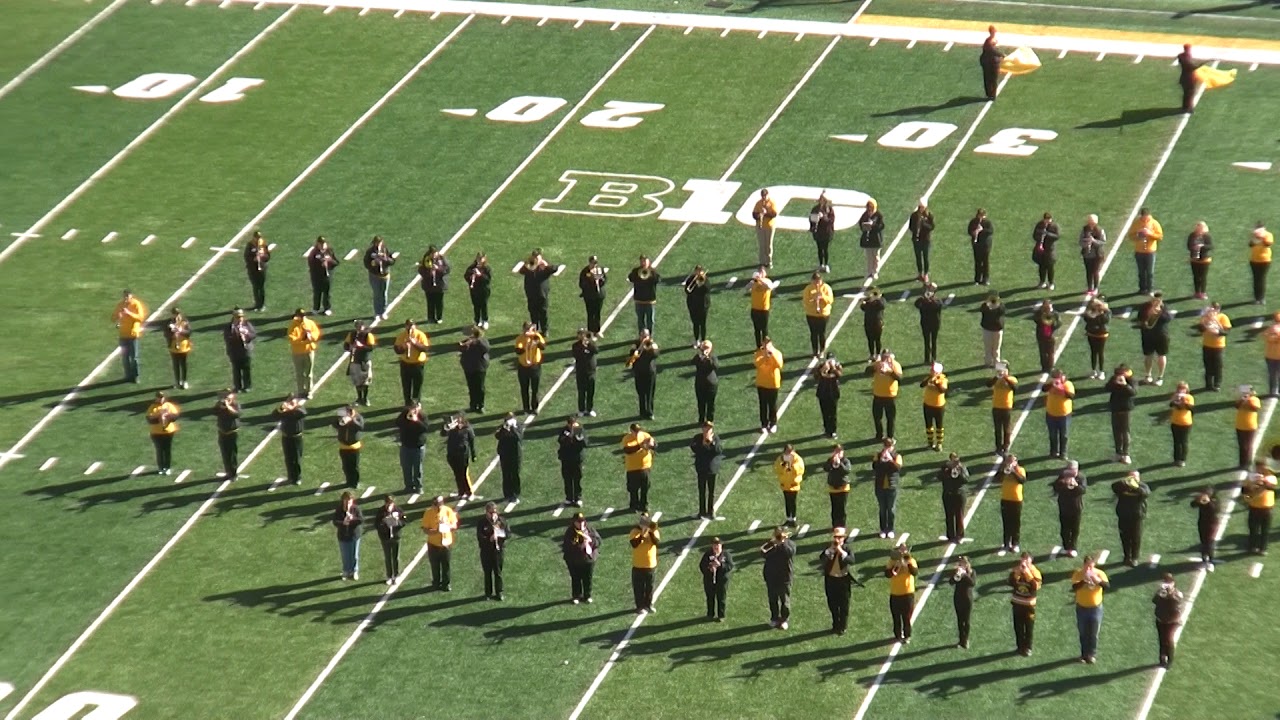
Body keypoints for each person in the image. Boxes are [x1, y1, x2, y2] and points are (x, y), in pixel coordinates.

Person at [1071, 555, 1110, 663]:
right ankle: (1083, 654)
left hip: (1095, 608)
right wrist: (1084, 581)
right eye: (1087, 567)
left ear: (1094, 565)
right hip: (1081, 608)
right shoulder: (1078, 574)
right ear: (1083, 565)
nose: (1089, 569)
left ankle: (1091, 654)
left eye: (1091, 567)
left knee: (1093, 633)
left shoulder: (1100, 573)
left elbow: (1107, 586)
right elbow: (1074, 587)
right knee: (1083, 632)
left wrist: (1098, 580)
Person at [1113, 471, 1152, 566]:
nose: (1133, 478)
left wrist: (1136, 487)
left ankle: (1135, 558)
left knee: (1135, 537)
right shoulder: (1122, 486)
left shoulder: (1142, 486)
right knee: (1124, 537)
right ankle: (1126, 556)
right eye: (1131, 476)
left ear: (1139, 478)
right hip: (1123, 515)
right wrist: (1125, 483)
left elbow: (1145, 493)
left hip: (1136, 516)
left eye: (1135, 477)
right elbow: (1114, 487)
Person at [562, 512, 602, 604]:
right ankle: (576, 595)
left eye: (582, 521)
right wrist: (581, 545)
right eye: (578, 522)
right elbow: (567, 546)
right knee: (576, 578)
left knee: (587, 578)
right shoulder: (570, 532)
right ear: (574, 522)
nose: (581, 524)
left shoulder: (590, 529)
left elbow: (598, 541)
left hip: (588, 559)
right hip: (574, 560)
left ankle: (587, 595)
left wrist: (590, 542)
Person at [821, 527, 854, 635]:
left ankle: (843, 626)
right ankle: (835, 625)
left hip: (843, 580)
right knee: (832, 604)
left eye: (840, 537)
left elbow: (851, 560)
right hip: (831, 580)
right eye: (836, 537)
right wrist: (829, 551)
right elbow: (821, 558)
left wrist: (841, 552)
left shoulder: (847, 549)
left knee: (844, 605)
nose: (837, 539)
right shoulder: (829, 547)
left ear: (844, 538)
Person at [1008, 552, 1042, 656]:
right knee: (1018, 627)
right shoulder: (1016, 570)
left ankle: (1028, 647)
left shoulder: (1035, 572)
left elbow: (1035, 587)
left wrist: (1027, 573)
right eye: (1023, 561)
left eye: (1027, 561)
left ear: (1031, 562)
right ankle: (1019, 646)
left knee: (1028, 627)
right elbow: (1010, 582)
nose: (1024, 564)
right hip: (1017, 603)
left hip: (1029, 605)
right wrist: (1017, 574)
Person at [761, 526, 796, 629]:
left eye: (779, 535)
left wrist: (782, 543)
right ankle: (774, 618)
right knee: (772, 599)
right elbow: (763, 553)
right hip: (771, 576)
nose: (778, 538)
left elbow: (789, 553)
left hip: (784, 577)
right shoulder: (771, 544)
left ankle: (784, 619)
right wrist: (772, 544)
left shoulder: (790, 545)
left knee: (784, 600)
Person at [421, 495, 458, 591]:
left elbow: (454, 525)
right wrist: (436, 531)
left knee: (446, 565)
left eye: (438, 505)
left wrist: (447, 526)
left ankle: (446, 583)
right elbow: (425, 529)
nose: (436, 507)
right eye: (435, 505)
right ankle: (436, 582)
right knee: (434, 565)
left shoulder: (448, 511)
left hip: (446, 543)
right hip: (433, 543)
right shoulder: (428, 513)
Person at [1052, 461, 1087, 558]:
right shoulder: (1062, 476)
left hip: (1076, 507)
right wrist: (1063, 482)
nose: (1071, 472)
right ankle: (1066, 546)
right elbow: (1055, 488)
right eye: (1070, 469)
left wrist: (1075, 485)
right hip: (1064, 506)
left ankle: (1073, 547)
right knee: (1064, 528)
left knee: (1075, 528)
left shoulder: (1081, 477)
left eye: (1073, 469)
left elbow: (1083, 490)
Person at [112, 289, 147, 383]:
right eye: (124, 296)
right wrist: (117, 316)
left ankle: (136, 376)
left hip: (133, 334)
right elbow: (113, 318)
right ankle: (127, 375)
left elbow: (141, 318)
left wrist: (129, 313)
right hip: (123, 335)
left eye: (127, 296)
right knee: (125, 357)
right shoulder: (120, 305)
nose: (126, 298)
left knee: (134, 357)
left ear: (131, 296)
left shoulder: (136, 304)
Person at [519, 249, 558, 334]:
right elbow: (521, 271)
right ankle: (534, 330)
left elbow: (555, 268)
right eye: (534, 257)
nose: (535, 259)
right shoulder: (528, 267)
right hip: (531, 295)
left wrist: (546, 265)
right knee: (533, 314)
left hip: (542, 295)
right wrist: (526, 265)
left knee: (543, 313)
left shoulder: (544, 268)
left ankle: (545, 330)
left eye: (537, 257)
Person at [886, 543, 919, 643]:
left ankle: (907, 635)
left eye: (904, 550)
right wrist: (896, 565)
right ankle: (897, 635)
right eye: (901, 550)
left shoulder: (911, 560)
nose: (902, 552)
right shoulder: (892, 561)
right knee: (896, 617)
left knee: (906, 617)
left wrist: (907, 563)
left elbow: (914, 572)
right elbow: (887, 574)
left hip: (907, 593)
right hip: (895, 593)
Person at [1137, 292, 1172, 385]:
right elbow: (1139, 318)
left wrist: (1159, 312)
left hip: (1161, 335)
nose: (1156, 301)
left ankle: (1160, 377)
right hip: (1147, 335)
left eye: (1158, 299)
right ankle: (1148, 375)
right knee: (1148, 355)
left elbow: (1168, 318)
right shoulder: (1145, 306)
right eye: (1154, 299)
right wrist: (1149, 313)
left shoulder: (1164, 307)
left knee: (1161, 355)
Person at [286, 309, 322, 400]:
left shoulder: (310, 323)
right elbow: (292, 339)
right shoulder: (293, 326)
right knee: (299, 373)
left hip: (309, 351)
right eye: (300, 316)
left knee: (309, 373)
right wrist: (304, 340)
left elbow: (316, 334)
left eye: (303, 315)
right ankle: (301, 391)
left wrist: (310, 337)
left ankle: (309, 391)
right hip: (297, 352)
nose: (302, 317)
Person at [629, 513, 661, 614]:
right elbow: (634, 544)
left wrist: (650, 532)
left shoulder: (654, 531)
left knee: (649, 587)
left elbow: (656, 542)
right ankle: (639, 606)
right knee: (639, 588)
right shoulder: (634, 532)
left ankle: (649, 605)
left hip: (650, 565)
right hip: (638, 564)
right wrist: (642, 535)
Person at [691, 422, 723, 520]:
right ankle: (702, 511)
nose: (707, 430)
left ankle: (711, 511)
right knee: (701, 491)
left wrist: (711, 443)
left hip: (711, 469)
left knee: (711, 492)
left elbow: (719, 450)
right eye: (705, 428)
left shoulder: (716, 438)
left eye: (709, 428)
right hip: (701, 468)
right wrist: (703, 443)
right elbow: (693, 448)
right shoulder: (697, 438)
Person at [395, 319, 431, 407]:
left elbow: (425, 349)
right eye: (408, 325)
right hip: (405, 364)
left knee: (417, 384)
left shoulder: (420, 335)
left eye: (412, 325)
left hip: (418, 364)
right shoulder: (402, 336)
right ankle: (407, 402)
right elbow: (397, 350)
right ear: (405, 326)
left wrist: (415, 343)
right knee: (406, 385)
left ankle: (416, 402)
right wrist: (404, 346)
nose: (410, 327)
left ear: (415, 326)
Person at [440, 413, 477, 499]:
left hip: (463, 455)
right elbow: (443, 434)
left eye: (459, 420)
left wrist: (473, 455)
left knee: (464, 474)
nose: (457, 421)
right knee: (457, 474)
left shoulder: (467, 429)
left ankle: (469, 493)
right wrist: (446, 426)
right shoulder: (452, 429)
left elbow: (472, 442)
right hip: (452, 454)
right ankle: (461, 492)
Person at [477, 502, 509, 600]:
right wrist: (489, 539)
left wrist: (500, 534)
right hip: (486, 552)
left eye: (495, 512)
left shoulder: (501, 521)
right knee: (487, 573)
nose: (493, 514)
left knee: (498, 573)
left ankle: (499, 592)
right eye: (491, 513)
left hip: (498, 551)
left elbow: (508, 534)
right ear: (486, 512)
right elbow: (480, 537)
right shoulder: (482, 522)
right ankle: (488, 593)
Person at [1106, 365, 1137, 464]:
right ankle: (1118, 452)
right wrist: (1113, 382)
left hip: (1125, 410)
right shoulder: (1114, 379)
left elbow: (1133, 392)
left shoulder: (1131, 380)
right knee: (1116, 432)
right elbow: (1106, 388)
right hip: (1115, 409)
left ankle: (1126, 453)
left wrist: (1124, 385)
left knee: (1125, 432)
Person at [622, 423, 656, 513]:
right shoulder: (627, 439)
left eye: (638, 431)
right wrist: (640, 446)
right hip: (632, 467)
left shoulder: (645, 435)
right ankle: (634, 505)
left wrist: (652, 444)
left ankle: (643, 504)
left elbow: (654, 445)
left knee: (645, 487)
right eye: (635, 432)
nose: (637, 433)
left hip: (645, 466)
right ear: (631, 431)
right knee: (633, 488)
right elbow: (628, 450)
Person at [872, 437, 903, 538]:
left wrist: (890, 460)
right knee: (882, 509)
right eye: (886, 446)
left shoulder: (897, 456)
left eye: (889, 446)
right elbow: (875, 467)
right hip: (880, 487)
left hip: (891, 487)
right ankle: (882, 529)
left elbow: (897, 468)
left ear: (892, 446)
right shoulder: (878, 455)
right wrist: (881, 460)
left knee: (890, 509)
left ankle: (890, 529)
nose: (887, 448)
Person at [1129, 207, 1164, 295]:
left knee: (1149, 272)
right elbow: (1131, 236)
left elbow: (1160, 236)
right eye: (1143, 217)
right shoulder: (1136, 223)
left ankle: (1150, 289)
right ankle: (1142, 288)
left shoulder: (1154, 223)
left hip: (1150, 251)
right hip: (1139, 251)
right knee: (1141, 272)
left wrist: (1150, 234)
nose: (1145, 219)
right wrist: (1138, 235)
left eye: (1146, 217)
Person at [395, 402, 428, 494]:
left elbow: (425, 428)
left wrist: (416, 420)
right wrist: (406, 417)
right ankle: (408, 486)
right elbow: (397, 423)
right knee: (406, 467)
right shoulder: (404, 414)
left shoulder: (422, 416)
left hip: (418, 447)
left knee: (417, 468)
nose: (414, 409)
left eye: (416, 407)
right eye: (412, 407)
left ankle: (418, 486)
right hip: (406, 446)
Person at [342, 319, 377, 407]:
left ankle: (365, 398)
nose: (358, 328)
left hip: (364, 361)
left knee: (365, 381)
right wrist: (350, 347)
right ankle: (359, 398)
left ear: (363, 326)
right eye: (357, 326)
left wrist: (361, 346)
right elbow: (345, 346)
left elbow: (371, 348)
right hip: (355, 361)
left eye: (360, 326)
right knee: (357, 381)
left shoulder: (368, 335)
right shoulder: (352, 334)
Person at [1153, 574, 1185, 668]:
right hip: (1161, 620)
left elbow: (1175, 603)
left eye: (1168, 582)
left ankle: (1170, 660)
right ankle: (1162, 658)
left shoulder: (1177, 594)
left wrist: (1169, 594)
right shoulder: (1161, 592)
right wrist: (1160, 593)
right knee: (1162, 639)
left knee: (1169, 640)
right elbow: (1154, 601)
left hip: (1172, 622)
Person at [515, 322, 547, 414]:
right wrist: (527, 346)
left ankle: (534, 407)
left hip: (534, 366)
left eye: (528, 329)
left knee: (535, 388)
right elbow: (518, 351)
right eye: (525, 329)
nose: (526, 331)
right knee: (524, 388)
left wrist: (536, 340)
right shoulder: (520, 338)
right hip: (523, 367)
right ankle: (526, 407)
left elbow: (543, 347)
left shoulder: (536, 336)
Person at [626, 329, 659, 420]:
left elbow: (656, 354)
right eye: (642, 336)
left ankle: (650, 412)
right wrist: (640, 347)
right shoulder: (635, 345)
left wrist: (650, 348)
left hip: (650, 373)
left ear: (649, 336)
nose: (644, 338)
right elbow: (632, 356)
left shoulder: (652, 344)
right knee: (641, 393)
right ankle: (642, 412)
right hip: (639, 372)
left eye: (645, 336)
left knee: (649, 393)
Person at [870, 350, 902, 440]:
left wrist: (890, 372)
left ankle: (890, 436)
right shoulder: (878, 364)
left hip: (890, 396)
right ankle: (879, 434)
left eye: (887, 357)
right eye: (883, 357)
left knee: (890, 418)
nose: (885, 359)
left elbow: (899, 378)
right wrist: (875, 368)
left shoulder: (895, 365)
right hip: (878, 395)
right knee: (877, 417)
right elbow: (866, 372)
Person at [145, 391, 180, 475]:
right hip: (156, 432)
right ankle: (160, 467)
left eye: (162, 397)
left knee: (167, 450)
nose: (160, 399)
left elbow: (175, 417)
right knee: (159, 450)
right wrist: (159, 416)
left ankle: (167, 467)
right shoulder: (153, 407)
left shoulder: (169, 405)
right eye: (159, 397)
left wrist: (167, 415)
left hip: (168, 432)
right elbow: (149, 419)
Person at [1044, 368, 1075, 459]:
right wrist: (1051, 384)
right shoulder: (1051, 384)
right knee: (1052, 435)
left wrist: (1061, 388)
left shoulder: (1068, 384)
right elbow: (1043, 389)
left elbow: (1071, 396)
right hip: (1051, 413)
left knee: (1064, 435)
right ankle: (1053, 452)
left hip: (1064, 415)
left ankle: (1063, 453)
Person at [1199, 301, 1231, 392]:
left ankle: (1217, 384)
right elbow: (1200, 329)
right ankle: (1208, 384)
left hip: (1218, 346)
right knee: (1207, 365)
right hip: (1207, 344)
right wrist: (1206, 321)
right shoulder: (1205, 317)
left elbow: (1226, 332)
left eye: (1215, 309)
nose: (1213, 311)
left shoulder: (1223, 317)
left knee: (1218, 366)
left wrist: (1215, 322)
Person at [274, 395, 306, 485]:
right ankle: (290, 476)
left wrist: (291, 408)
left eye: (292, 402)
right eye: (289, 402)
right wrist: (281, 408)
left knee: (296, 458)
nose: (290, 404)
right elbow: (274, 416)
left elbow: (303, 414)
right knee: (288, 458)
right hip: (286, 437)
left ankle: (297, 477)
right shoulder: (285, 411)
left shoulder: (299, 410)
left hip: (296, 438)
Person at [754, 337, 784, 434]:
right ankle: (764, 424)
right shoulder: (758, 353)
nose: (766, 346)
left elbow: (779, 365)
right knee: (763, 405)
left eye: (768, 344)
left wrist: (772, 355)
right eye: (764, 344)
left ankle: (773, 423)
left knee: (772, 405)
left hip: (773, 383)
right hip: (761, 383)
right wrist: (764, 356)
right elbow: (757, 364)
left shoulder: (777, 353)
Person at [1244, 466, 1276, 555]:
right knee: (1253, 529)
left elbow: (1270, 484)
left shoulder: (1271, 478)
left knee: (1265, 530)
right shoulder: (1252, 477)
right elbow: (1245, 489)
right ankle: (1252, 547)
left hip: (1266, 508)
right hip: (1254, 507)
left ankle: (1263, 548)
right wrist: (1253, 482)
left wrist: (1261, 480)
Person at [700, 537, 733, 621]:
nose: (716, 547)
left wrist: (720, 565)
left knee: (721, 598)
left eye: (718, 545)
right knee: (710, 598)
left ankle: (721, 615)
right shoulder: (708, 554)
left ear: (721, 545)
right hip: (709, 580)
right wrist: (709, 569)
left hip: (722, 581)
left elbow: (730, 566)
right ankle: (710, 614)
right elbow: (702, 565)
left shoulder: (726, 555)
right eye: (714, 545)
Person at [222, 308, 255, 393]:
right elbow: (227, 338)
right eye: (238, 317)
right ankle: (237, 387)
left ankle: (247, 386)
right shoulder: (229, 327)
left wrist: (246, 334)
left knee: (246, 369)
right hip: (234, 352)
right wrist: (238, 335)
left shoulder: (247, 324)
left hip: (246, 351)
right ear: (234, 317)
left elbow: (253, 334)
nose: (240, 319)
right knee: (236, 369)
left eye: (241, 317)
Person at [988, 363, 1018, 456]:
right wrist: (997, 377)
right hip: (996, 406)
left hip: (1006, 407)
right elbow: (988, 384)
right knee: (997, 429)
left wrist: (1005, 378)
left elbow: (1015, 388)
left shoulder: (1012, 379)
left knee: (1006, 428)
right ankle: (998, 447)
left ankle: (1005, 447)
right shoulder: (996, 379)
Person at [364, 235, 397, 320]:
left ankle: (383, 311)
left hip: (385, 275)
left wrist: (385, 259)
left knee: (384, 294)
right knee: (377, 294)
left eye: (380, 242)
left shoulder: (385, 250)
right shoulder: (370, 252)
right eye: (377, 242)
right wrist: (373, 263)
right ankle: (377, 312)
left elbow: (392, 261)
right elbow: (366, 263)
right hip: (374, 276)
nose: (378, 244)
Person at [375, 495, 406, 585]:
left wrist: (397, 522)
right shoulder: (381, 511)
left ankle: (396, 575)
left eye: (390, 503)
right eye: (387, 503)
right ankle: (389, 576)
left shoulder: (398, 510)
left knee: (396, 557)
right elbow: (376, 524)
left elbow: (404, 521)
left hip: (396, 537)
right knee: (387, 557)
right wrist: (384, 523)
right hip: (385, 537)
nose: (389, 505)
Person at [558, 416, 588, 507]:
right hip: (566, 458)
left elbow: (585, 443)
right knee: (567, 479)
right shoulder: (564, 430)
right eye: (569, 424)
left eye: (572, 424)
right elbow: (560, 441)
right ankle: (569, 498)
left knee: (577, 479)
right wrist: (568, 437)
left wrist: (578, 437)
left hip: (576, 459)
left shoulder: (579, 430)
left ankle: (578, 498)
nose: (571, 426)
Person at [938, 452, 968, 542]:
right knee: (949, 516)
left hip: (959, 494)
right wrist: (947, 469)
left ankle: (959, 535)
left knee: (959, 516)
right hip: (948, 494)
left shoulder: (962, 467)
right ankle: (950, 536)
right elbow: (939, 477)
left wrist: (959, 470)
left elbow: (966, 479)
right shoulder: (945, 467)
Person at [998, 453, 1025, 552]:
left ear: (1015, 462)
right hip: (1005, 499)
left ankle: (1015, 543)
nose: (1009, 463)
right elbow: (997, 479)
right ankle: (1006, 543)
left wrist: (1013, 471)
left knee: (1015, 523)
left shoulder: (1020, 470)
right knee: (1006, 522)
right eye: (1008, 461)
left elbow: (1022, 480)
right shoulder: (1003, 469)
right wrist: (1003, 471)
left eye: (1011, 461)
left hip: (1016, 500)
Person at [495, 413, 524, 503]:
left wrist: (512, 428)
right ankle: (507, 494)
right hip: (505, 454)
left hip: (515, 455)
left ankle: (515, 494)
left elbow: (518, 437)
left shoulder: (518, 426)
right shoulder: (503, 427)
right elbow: (497, 436)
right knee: (506, 474)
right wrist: (504, 428)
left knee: (515, 475)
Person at [332, 492, 362, 581]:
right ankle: (346, 571)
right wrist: (343, 523)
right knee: (345, 555)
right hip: (343, 536)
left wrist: (352, 519)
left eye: (349, 501)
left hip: (354, 535)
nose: (348, 503)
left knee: (354, 555)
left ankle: (354, 571)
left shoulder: (355, 509)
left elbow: (361, 520)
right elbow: (335, 521)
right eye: (346, 501)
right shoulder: (339, 509)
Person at [417, 245, 450, 325]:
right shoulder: (426, 260)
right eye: (432, 253)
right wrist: (429, 272)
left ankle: (439, 317)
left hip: (439, 285)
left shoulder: (441, 259)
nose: (434, 255)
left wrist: (438, 269)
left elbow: (447, 269)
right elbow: (421, 271)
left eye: (435, 253)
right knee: (430, 302)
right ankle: (430, 318)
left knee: (439, 302)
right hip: (429, 286)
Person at [803, 272, 834, 357]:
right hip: (811, 314)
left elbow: (830, 300)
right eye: (815, 281)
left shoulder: (826, 288)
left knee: (821, 333)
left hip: (823, 314)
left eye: (818, 281)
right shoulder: (808, 289)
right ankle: (815, 350)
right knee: (813, 333)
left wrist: (822, 296)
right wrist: (814, 299)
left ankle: (822, 350)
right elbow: (806, 301)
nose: (817, 283)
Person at [457, 326, 487, 413]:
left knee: (480, 388)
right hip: (469, 368)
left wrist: (477, 342)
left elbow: (486, 349)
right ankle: (473, 405)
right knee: (471, 387)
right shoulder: (467, 341)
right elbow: (460, 348)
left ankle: (481, 405)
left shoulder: (482, 341)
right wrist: (464, 345)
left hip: (479, 367)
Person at [334, 405, 364, 489]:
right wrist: (340, 420)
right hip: (344, 446)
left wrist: (352, 420)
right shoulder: (341, 417)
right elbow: (335, 425)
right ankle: (348, 481)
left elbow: (361, 427)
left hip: (354, 446)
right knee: (345, 466)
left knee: (354, 466)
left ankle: (355, 482)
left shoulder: (358, 417)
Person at [306, 236, 339, 316]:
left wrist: (330, 260)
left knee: (326, 293)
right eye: (320, 244)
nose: (322, 245)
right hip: (317, 277)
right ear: (317, 244)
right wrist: (321, 263)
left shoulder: (329, 251)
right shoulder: (314, 252)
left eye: (323, 243)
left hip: (327, 276)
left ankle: (327, 308)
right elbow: (311, 264)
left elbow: (336, 263)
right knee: (317, 292)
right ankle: (316, 308)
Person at [161, 308, 192, 390]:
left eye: (177, 314)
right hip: (173, 346)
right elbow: (166, 334)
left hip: (183, 346)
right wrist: (171, 332)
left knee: (183, 364)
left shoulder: (184, 321)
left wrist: (181, 331)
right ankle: (177, 381)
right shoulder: (169, 323)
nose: (176, 316)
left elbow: (189, 332)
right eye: (174, 314)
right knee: (176, 364)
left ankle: (184, 381)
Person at [628, 255, 660, 335]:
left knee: (650, 321)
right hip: (639, 300)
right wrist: (637, 273)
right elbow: (630, 278)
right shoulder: (636, 271)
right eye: (642, 261)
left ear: (648, 262)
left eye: (645, 261)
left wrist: (651, 272)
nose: (643, 263)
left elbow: (658, 280)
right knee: (640, 321)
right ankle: (641, 336)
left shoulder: (653, 271)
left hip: (650, 301)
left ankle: (650, 336)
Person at [213, 390, 241, 480]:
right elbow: (214, 412)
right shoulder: (220, 405)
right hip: (222, 432)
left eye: (228, 396)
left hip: (232, 433)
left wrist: (228, 407)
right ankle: (228, 472)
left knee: (232, 455)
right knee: (225, 454)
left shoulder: (235, 405)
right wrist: (220, 406)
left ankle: (233, 474)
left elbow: (236, 414)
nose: (226, 398)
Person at [814, 354, 843, 439]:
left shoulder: (837, 366)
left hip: (833, 392)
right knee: (825, 413)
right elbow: (815, 377)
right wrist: (822, 370)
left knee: (833, 413)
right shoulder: (821, 366)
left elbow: (839, 375)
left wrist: (833, 368)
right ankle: (827, 430)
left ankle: (833, 431)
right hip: (823, 392)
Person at [748, 267, 778, 348]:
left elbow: (769, 287)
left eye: (762, 272)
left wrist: (760, 280)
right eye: (759, 272)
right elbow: (746, 288)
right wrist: (753, 281)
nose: (760, 273)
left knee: (764, 329)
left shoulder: (767, 281)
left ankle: (765, 346)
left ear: (765, 273)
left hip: (764, 309)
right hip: (754, 309)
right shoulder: (754, 282)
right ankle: (758, 346)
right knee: (757, 330)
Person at [775, 444, 805, 526]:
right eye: (786, 451)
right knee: (787, 501)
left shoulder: (797, 459)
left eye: (789, 451)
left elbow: (800, 470)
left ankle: (793, 519)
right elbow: (777, 469)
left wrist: (791, 465)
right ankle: (788, 518)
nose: (788, 453)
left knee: (793, 501)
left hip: (793, 484)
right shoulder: (780, 459)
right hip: (785, 484)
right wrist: (783, 465)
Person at [578, 255, 608, 336]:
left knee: (597, 313)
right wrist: (591, 280)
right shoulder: (585, 271)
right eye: (593, 263)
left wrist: (600, 280)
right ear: (589, 262)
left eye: (595, 263)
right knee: (590, 313)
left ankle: (597, 330)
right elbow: (581, 284)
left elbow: (605, 279)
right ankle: (590, 330)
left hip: (599, 295)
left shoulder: (600, 269)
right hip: (589, 296)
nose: (594, 265)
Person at [921, 362, 948, 451]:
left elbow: (942, 390)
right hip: (927, 404)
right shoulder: (928, 378)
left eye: (933, 370)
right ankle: (930, 442)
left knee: (939, 425)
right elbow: (922, 385)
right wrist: (929, 379)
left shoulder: (943, 379)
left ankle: (939, 444)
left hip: (938, 406)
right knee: (928, 425)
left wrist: (936, 382)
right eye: (931, 370)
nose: (931, 371)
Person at [950, 556, 976, 649]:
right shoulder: (957, 571)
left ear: (967, 564)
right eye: (960, 562)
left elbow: (972, 583)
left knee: (967, 621)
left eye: (963, 562)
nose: (961, 564)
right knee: (960, 621)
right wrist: (956, 574)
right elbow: (951, 582)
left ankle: (966, 640)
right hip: (958, 598)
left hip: (967, 599)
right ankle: (961, 640)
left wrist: (964, 575)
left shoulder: (972, 572)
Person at [1083, 296, 1111, 379]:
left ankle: (1101, 371)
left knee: (1100, 352)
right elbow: (1086, 319)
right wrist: (1090, 312)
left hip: (1101, 334)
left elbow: (1105, 320)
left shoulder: (1106, 312)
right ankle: (1093, 370)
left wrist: (1099, 313)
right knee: (1093, 352)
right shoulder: (1090, 311)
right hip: (1091, 334)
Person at [915, 283, 943, 366]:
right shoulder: (922, 300)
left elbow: (938, 306)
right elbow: (917, 304)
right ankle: (927, 359)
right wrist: (924, 299)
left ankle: (934, 358)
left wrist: (931, 300)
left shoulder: (937, 301)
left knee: (934, 342)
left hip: (935, 324)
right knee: (926, 341)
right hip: (925, 323)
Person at [572, 329, 598, 417]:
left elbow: (596, 350)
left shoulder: (591, 344)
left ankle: (589, 409)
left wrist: (589, 343)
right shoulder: (575, 345)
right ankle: (581, 409)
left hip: (591, 372)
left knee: (591, 392)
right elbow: (576, 355)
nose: (583, 336)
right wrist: (583, 346)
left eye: (584, 334)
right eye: (581, 334)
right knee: (581, 392)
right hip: (581, 372)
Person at [825, 445, 852, 529]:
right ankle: (834, 525)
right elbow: (826, 468)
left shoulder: (846, 461)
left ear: (842, 452)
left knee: (841, 509)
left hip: (843, 488)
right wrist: (831, 461)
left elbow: (847, 471)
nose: (837, 453)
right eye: (836, 451)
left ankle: (842, 525)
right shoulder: (830, 460)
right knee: (834, 508)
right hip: (833, 488)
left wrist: (839, 463)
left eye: (839, 451)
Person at [1190, 488, 1218, 569]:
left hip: (1211, 524)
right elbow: (1192, 505)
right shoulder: (1202, 501)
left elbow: (1214, 510)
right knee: (1203, 541)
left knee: (1209, 541)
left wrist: (1207, 502)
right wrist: (1197, 500)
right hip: (1202, 523)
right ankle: (1204, 557)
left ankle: (1211, 558)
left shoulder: (1214, 502)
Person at [1169, 381, 1195, 467]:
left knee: (1183, 442)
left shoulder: (1189, 397)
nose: (1181, 390)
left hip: (1185, 423)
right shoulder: (1175, 396)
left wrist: (1183, 400)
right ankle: (1176, 459)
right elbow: (1171, 404)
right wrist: (1176, 399)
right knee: (1176, 442)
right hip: (1175, 422)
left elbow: (1190, 407)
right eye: (1180, 388)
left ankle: (1183, 459)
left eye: (1183, 389)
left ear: (1186, 390)